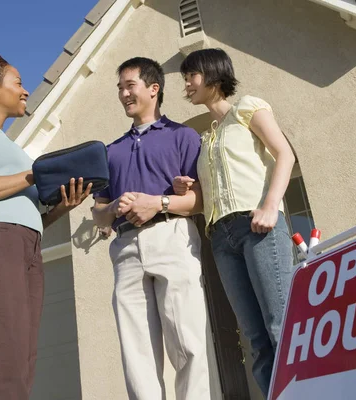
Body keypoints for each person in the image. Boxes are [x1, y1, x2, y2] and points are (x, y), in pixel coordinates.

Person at [0, 52, 91, 400]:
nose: (25, 91)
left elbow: (28, 214)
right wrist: (34, 174)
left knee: (23, 358)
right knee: (7, 351)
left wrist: (62, 207)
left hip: (25, 243)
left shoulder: (11, 148)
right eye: (18, 83)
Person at [173, 48, 296, 397]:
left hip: (258, 225)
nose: (187, 83)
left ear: (213, 75)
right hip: (221, 238)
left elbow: (284, 154)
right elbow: (220, 187)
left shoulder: (248, 108)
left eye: (192, 75)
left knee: (280, 326)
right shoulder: (206, 139)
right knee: (255, 339)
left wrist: (271, 206)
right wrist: (193, 187)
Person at [91, 57, 211, 400]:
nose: (123, 94)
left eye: (130, 86)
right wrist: (114, 207)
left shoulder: (183, 137)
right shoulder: (110, 152)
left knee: (188, 344)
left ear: (153, 88)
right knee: (136, 354)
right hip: (125, 249)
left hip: (172, 238)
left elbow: (199, 201)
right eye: (120, 89)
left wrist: (156, 203)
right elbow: (99, 215)